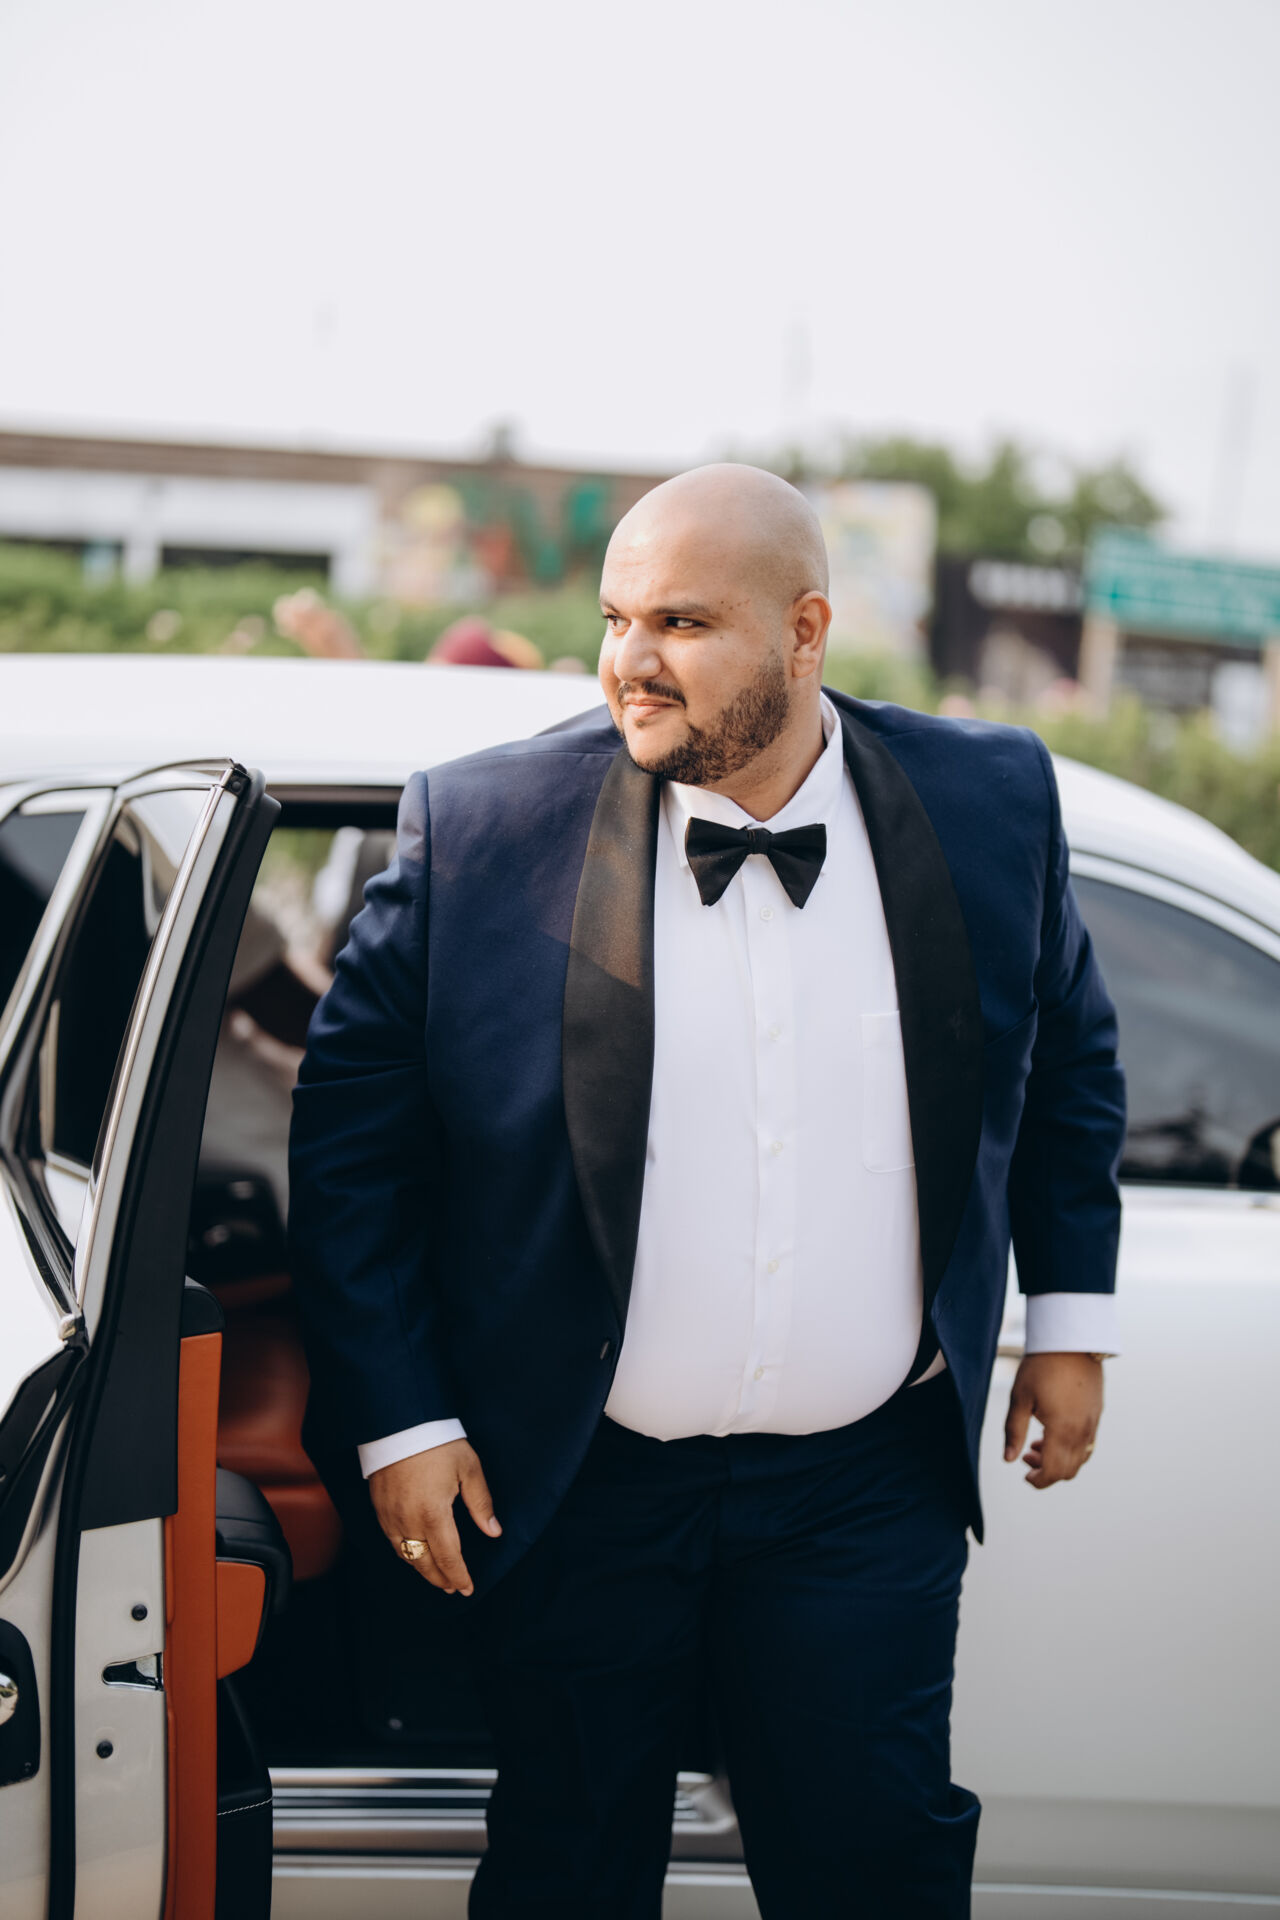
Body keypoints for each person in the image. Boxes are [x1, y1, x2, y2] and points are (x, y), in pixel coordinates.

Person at [288, 465, 1125, 1919]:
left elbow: (1070, 1061)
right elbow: (351, 1142)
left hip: (867, 1482)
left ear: (805, 633)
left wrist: (1069, 1319)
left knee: (876, 1867)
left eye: (680, 622)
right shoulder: (481, 825)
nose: (631, 659)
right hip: (579, 1473)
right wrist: (403, 1418)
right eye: (618, 618)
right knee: (567, 1869)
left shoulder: (990, 800)